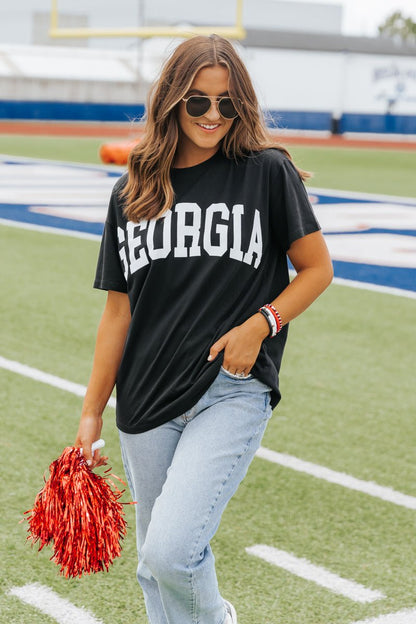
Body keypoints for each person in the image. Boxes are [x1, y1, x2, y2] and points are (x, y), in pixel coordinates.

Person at [75, 34, 333, 624]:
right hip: (145, 400)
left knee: (172, 551)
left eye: (227, 103)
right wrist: (92, 409)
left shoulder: (265, 172)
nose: (213, 116)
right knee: (153, 565)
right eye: (198, 102)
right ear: (171, 101)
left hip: (231, 388)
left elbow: (317, 270)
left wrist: (260, 324)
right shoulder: (132, 190)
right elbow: (118, 313)